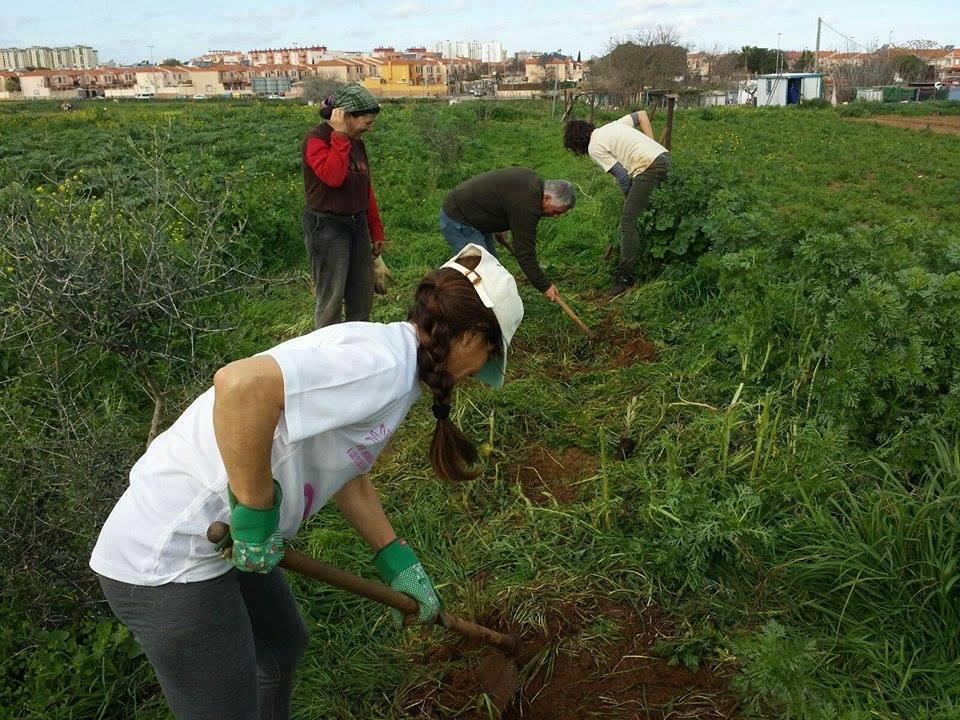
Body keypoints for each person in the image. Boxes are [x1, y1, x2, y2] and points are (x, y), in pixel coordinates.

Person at [89, 244, 523, 720]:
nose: (479, 371)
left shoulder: (399, 364)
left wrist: (396, 560)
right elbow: (241, 387)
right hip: (172, 554)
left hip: (231, 540)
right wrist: (256, 512)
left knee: (281, 646)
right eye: (488, 354)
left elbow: (346, 466)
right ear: (470, 335)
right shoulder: (381, 365)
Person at [301, 82, 386, 328]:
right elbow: (333, 177)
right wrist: (338, 136)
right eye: (366, 123)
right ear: (345, 117)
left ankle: (357, 340)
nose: (369, 128)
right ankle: (330, 345)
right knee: (332, 297)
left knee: (362, 293)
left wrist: (375, 229)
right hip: (327, 227)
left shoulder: (357, 143)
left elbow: (365, 189)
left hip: (356, 223)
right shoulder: (316, 139)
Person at [563, 112, 671, 297]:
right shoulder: (613, 125)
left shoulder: (594, 147)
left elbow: (622, 177)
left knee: (628, 222)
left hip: (648, 168)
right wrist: (651, 143)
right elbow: (642, 115)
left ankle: (624, 278)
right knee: (653, 212)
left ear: (577, 144)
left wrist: (628, 197)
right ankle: (657, 263)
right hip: (663, 158)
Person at [439, 167, 576, 304]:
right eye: (557, 211)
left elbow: (502, 198)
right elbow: (525, 253)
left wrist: (497, 225)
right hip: (460, 219)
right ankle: (457, 304)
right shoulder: (528, 205)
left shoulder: (532, 183)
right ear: (546, 198)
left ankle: (490, 305)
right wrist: (544, 285)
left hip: (474, 215)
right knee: (479, 272)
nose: (556, 216)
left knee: (492, 267)